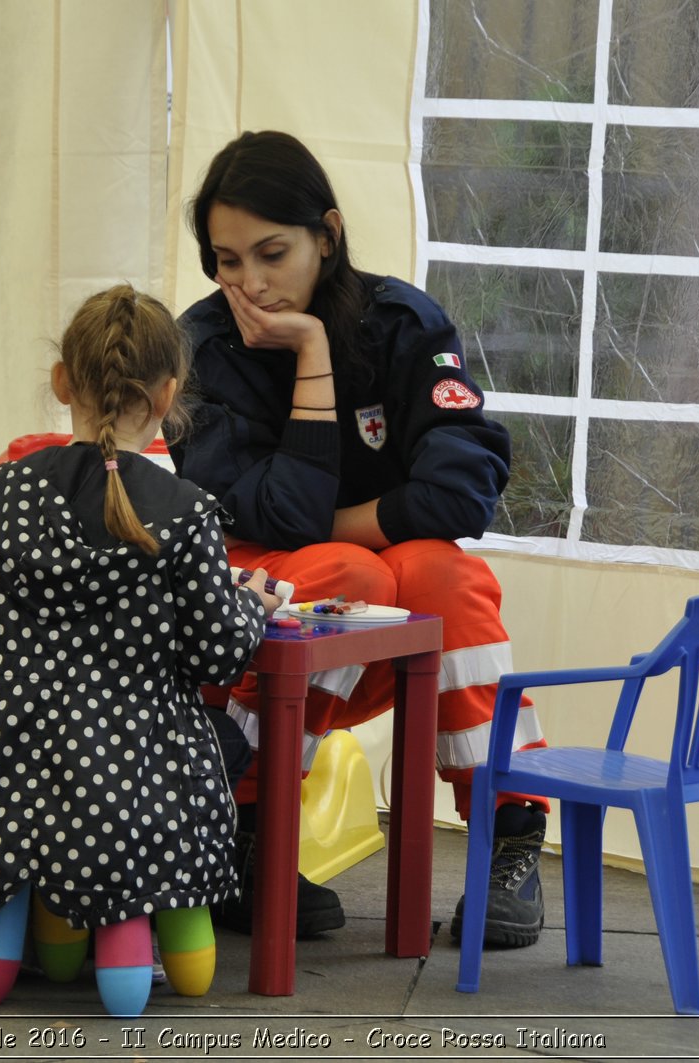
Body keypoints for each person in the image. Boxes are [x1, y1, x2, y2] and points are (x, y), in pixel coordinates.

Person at [172, 130, 551, 949]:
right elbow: (263, 521)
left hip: (380, 628)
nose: (252, 283)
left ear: (329, 235)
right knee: (353, 570)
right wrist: (307, 348)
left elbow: (464, 487)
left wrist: (364, 549)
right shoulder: (200, 350)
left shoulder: (402, 323)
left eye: (272, 253)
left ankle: (510, 834)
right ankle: (244, 828)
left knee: (439, 574)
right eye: (227, 260)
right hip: (259, 637)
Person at [0, 284, 280, 1014]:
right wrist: (253, 605)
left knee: (11, 859)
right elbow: (218, 657)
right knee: (189, 761)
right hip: (140, 769)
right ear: (169, 394)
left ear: (62, 382)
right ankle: (139, 963)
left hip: (5, 767)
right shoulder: (187, 511)